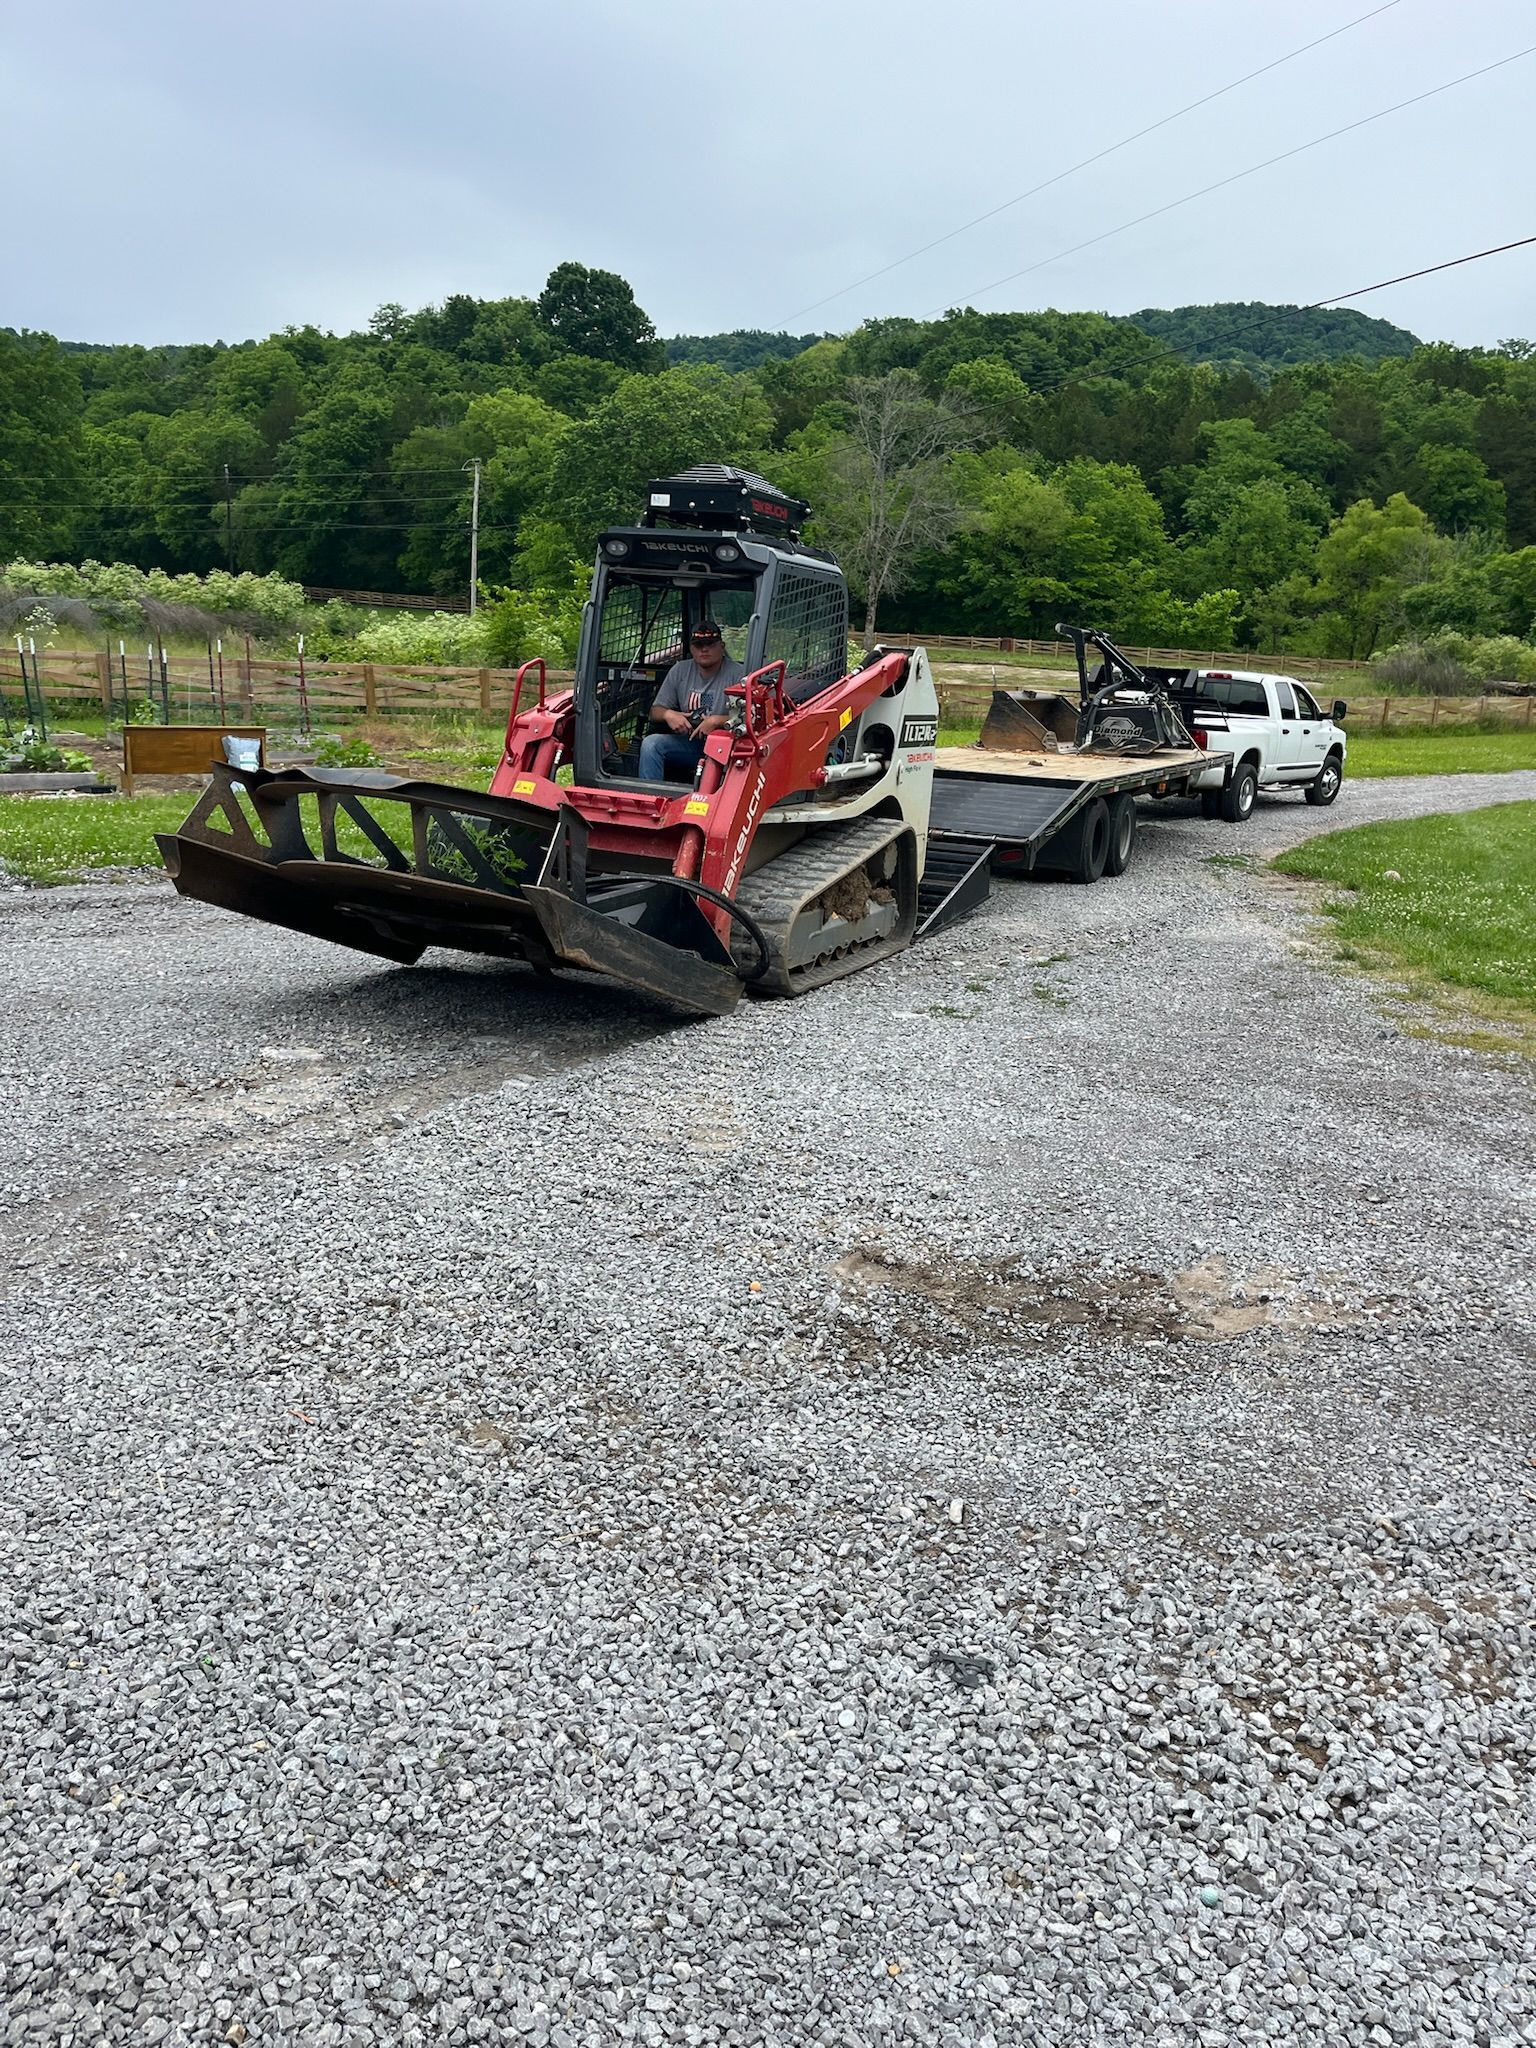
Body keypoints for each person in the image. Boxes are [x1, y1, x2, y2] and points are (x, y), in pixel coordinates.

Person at [637, 621, 745, 783]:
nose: (704, 649)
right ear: (691, 648)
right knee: (651, 745)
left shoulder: (739, 675)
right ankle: (651, 800)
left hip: (728, 748)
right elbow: (655, 711)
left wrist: (716, 721)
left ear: (722, 647)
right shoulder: (680, 670)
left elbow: (751, 716)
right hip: (690, 744)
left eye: (710, 644)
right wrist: (669, 714)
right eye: (698, 645)